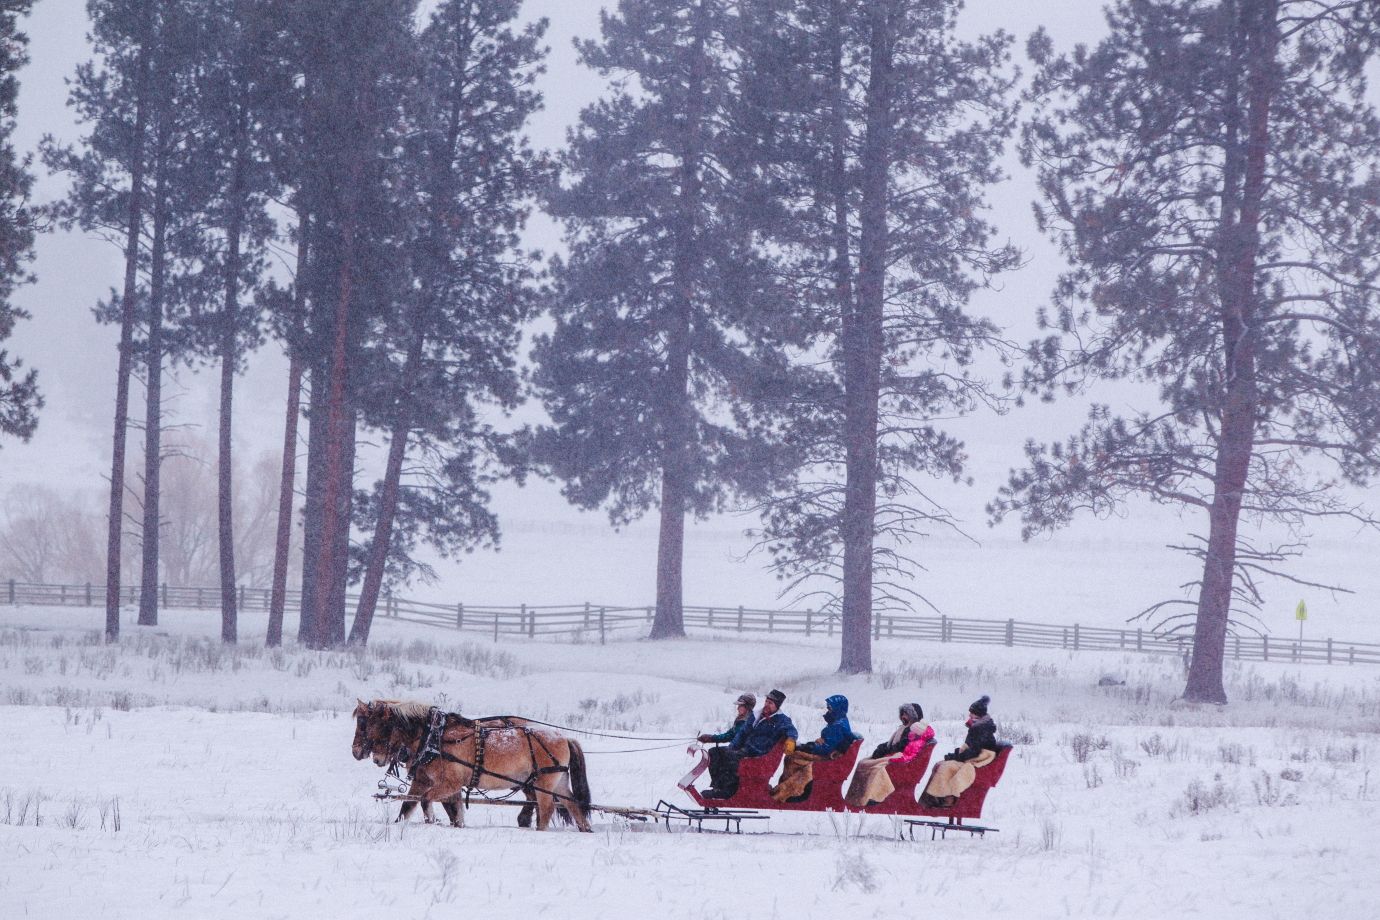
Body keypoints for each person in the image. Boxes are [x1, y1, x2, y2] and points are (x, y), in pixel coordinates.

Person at [703, 689, 797, 799]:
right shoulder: (757, 715)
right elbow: (742, 733)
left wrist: (791, 739)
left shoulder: (782, 720)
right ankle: (719, 787)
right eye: (766, 701)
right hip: (747, 749)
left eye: (770, 703)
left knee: (732, 756)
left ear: (777, 706)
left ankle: (730, 789)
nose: (766, 704)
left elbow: (792, 731)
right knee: (714, 752)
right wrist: (732, 747)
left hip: (761, 754)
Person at [845, 702, 934, 808]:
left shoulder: (915, 730)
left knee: (875, 768)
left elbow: (902, 746)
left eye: (906, 714)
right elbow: (893, 744)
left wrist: (884, 750)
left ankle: (874, 797)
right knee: (863, 763)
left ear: (913, 716)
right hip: (897, 755)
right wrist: (882, 748)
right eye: (902, 714)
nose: (903, 716)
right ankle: (856, 798)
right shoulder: (904, 728)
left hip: (904, 762)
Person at [770, 694, 853, 803]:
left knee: (794, 758)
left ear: (838, 709)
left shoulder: (838, 725)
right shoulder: (837, 722)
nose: (827, 710)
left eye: (830, 708)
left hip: (827, 757)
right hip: (827, 754)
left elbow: (826, 748)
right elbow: (829, 743)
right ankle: (786, 788)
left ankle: (793, 792)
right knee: (793, 757)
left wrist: (809, 747)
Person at [920, 695, 999, 808]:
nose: (969, 715)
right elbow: (970, 749)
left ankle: (947, 799)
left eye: (972, 713)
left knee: (947, 767)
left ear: (979, 714)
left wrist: (955, 757)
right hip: (973, 755)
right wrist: (955, 755)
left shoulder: (982, 729)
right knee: (941, 765)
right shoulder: (978, 727)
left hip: (980, 758)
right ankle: (933, 797)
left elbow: (974, 752)